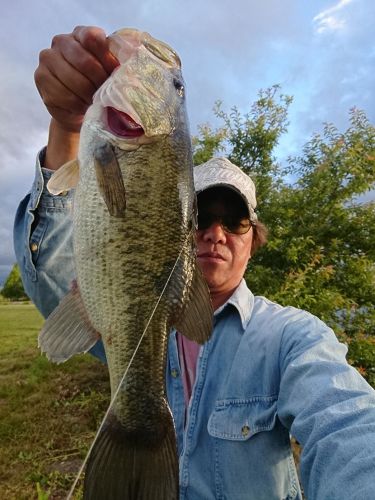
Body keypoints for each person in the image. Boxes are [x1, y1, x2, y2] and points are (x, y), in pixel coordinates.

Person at [14, 26, 375, 499]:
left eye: (236, 221)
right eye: (204, 216)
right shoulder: (139, 324)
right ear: (181, 229)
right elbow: (52, 272)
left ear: (254, 241)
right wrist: (66, 128)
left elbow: (347, 424)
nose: (216, 232)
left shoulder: (291, 338)